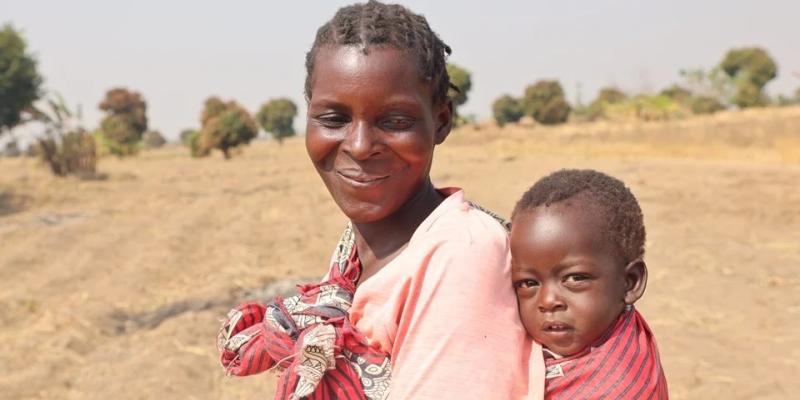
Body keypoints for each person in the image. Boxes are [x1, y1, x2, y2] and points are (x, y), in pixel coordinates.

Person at [217, 1, 544, 399]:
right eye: (334, 119)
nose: (359, 146)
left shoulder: (459, 256)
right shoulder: (359, 251)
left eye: (394, 121)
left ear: (440, 121)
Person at [510, 169, 668, 399]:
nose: (548, 301)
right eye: (528, 282)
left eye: (575, 278)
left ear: (630, 282)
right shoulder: (609, 323)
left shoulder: (615, 389)